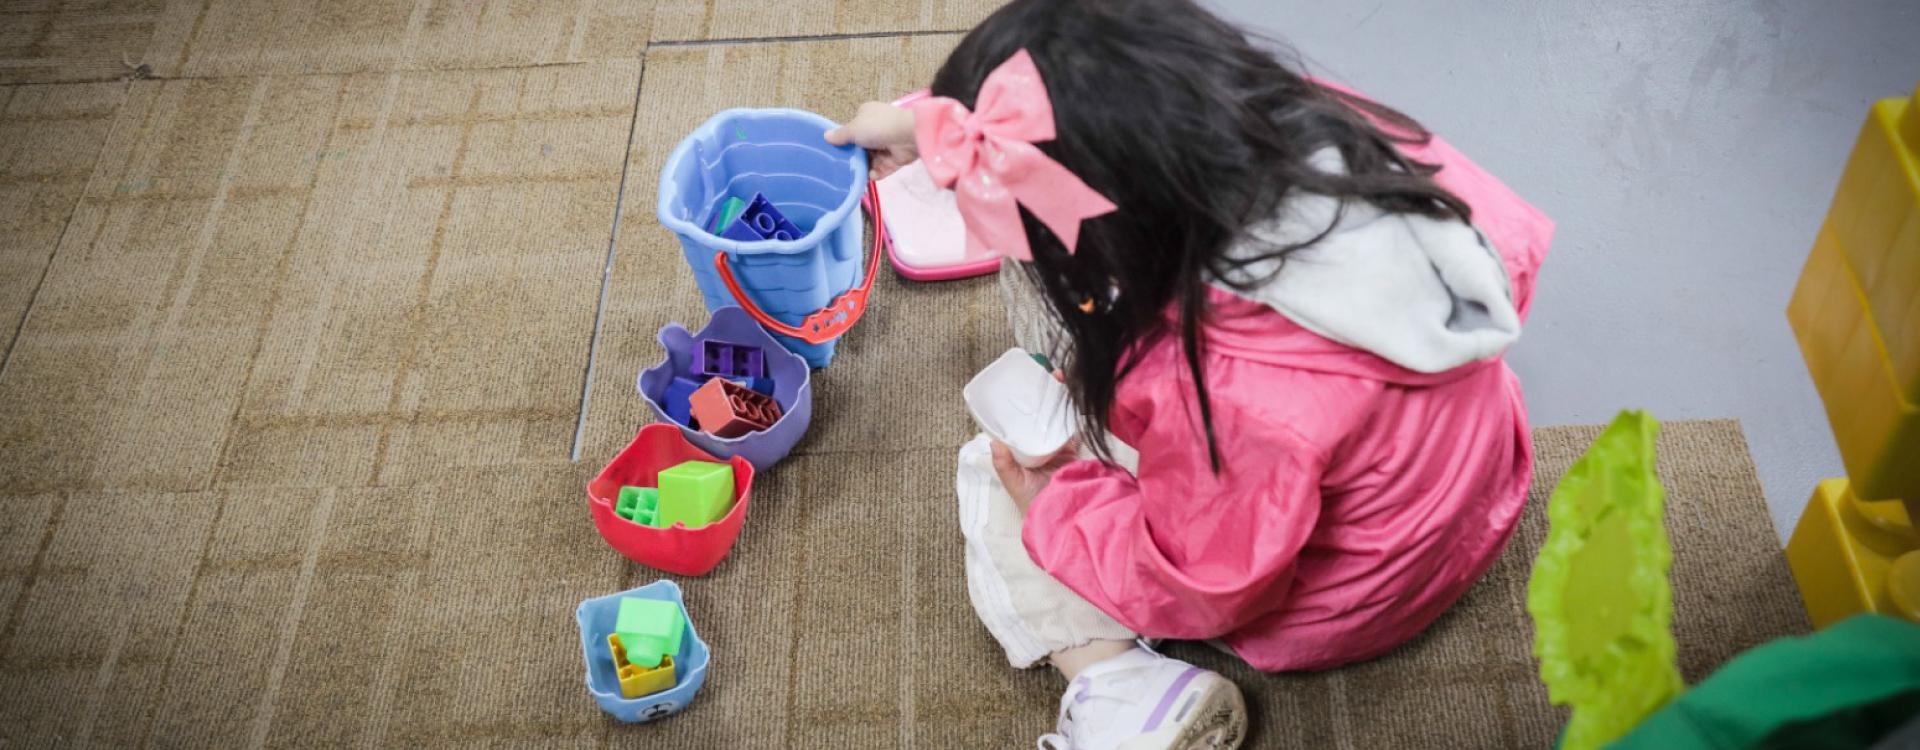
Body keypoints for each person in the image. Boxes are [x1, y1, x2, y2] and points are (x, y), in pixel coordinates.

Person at [828, 0, 1552, 747]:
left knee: (996, 472)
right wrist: (927, 131)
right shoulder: (1324, 133)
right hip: (1470, 484)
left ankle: (1119, 689)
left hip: (1352, 592)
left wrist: (1057, 505)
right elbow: (1082, 111)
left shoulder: (1222, 392)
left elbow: (1212, 582)